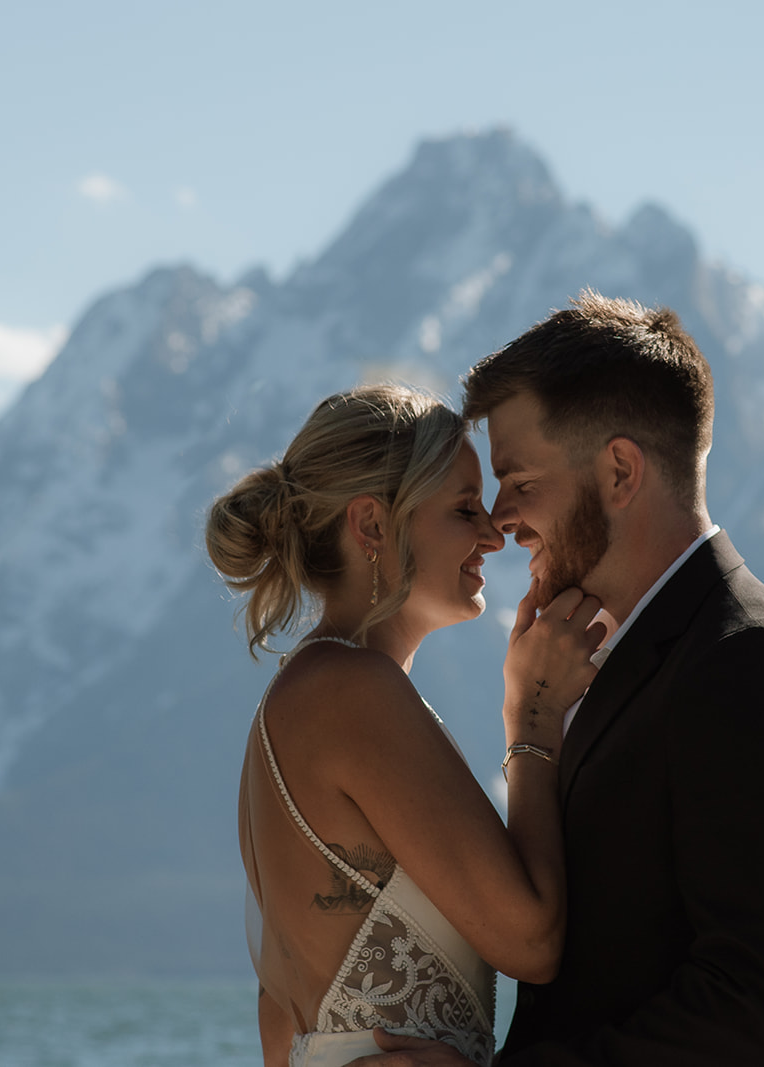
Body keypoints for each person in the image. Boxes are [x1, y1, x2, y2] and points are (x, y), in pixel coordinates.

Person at [355, 293, 764, 1066]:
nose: (499, 522)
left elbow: (754, 1010)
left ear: (621, 471)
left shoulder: (758, 666)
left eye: (520, 481)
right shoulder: (648, 664)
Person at [206, 385, 606, 1066]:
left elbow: (279, 1023)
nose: (492, 533)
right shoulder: (350, 692)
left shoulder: (301, 703)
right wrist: (533, 716)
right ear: (371, 526)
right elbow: (533, 941)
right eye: (463, 508)